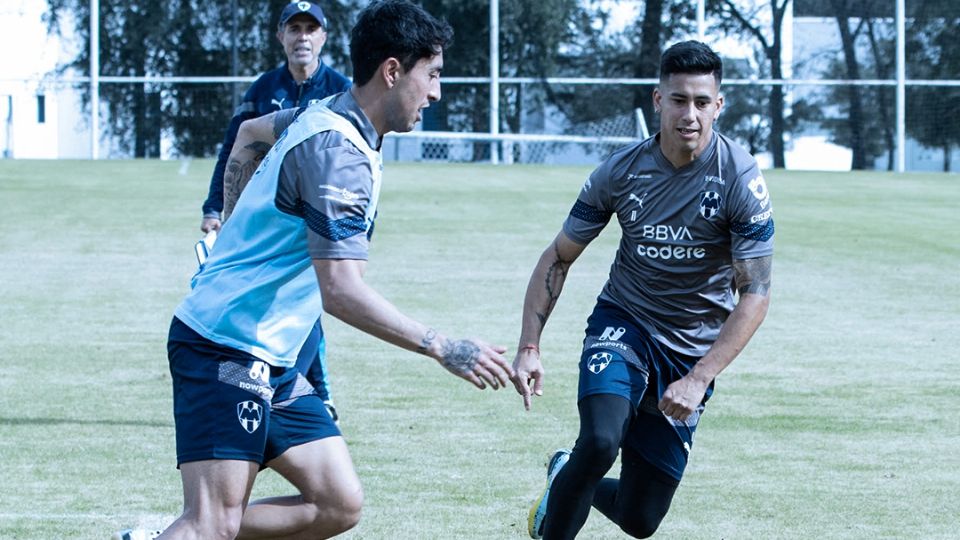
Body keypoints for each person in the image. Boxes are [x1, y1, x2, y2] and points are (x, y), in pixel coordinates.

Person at [116, 2, 513, 539]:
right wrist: (442, 346)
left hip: (270, 356)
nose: (437, 92)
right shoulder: (337, 154)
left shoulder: (329, 113)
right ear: (393, 71)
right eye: (433, 75)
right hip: (225, 346)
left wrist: (233, 227)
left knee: (338, 504)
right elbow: (341, 291)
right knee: (212, 521)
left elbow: (252, 133)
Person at [510, 40, 774, 539]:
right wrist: (529, 346)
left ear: (719, 105)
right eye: (678, 100)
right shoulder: (621, 171)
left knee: (640, 518)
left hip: (690, 352)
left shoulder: (740, 178)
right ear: (658, 101)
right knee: (601, 441)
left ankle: (565, 472)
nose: (689, 114)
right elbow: (558, 257)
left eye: (701, 101)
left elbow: (755, 295)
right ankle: (576, 475)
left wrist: (698, 378)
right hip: (624, 324)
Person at [202, 0, 351, 422]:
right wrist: (216, 208)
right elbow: (235, 149)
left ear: (323, 36)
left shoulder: (342, 88)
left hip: (316, 216)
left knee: (306, 301)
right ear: (281, 36)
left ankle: (306, 391)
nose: (302, 37)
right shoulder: (263, 90)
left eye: (310, 28)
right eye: (294, 28)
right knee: (267, 299)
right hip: (266, 216)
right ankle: (282, 387)